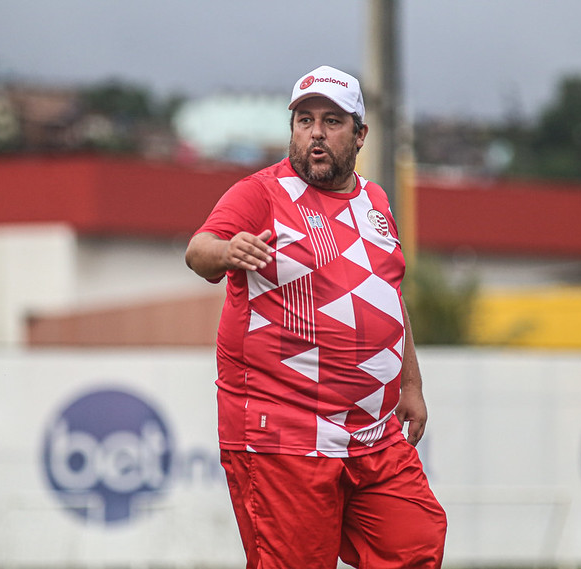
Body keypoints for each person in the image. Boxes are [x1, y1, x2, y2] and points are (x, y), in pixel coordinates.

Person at [185, 65, 447, 569]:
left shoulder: (376, 201)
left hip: (370, 435)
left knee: (415, 543)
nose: (316, 134)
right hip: (283, 431)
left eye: (331, 121)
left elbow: (387, 294)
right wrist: (227, 251)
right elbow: (199, 251)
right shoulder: (260, 193)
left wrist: (410, 384)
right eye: (304, 121)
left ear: (360, 134)